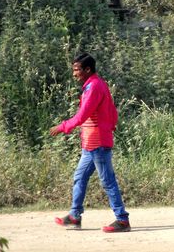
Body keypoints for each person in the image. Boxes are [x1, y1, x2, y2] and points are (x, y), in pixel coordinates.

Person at [50, 53, 130, 233]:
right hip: (90, 143)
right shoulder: (97, 84)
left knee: (108, 181)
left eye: (77, 70)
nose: (74, 74)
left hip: (98, 142)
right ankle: (74, 216)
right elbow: (111, 109)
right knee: (80, 177)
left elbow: (82, 116)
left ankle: (122, 220)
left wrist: (63, 126)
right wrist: (112, 124)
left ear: (88, 69)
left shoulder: (94, 87)